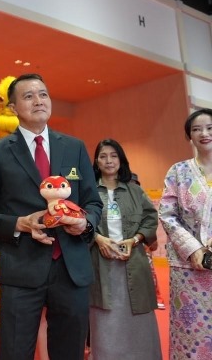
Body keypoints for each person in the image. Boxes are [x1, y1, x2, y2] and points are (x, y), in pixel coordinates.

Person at [0, 73, 102, 360]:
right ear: (13, 107)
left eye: (43, 94)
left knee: (69, 353)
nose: (38, 101)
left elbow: (93, 202)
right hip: (22, 268)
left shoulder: (74, 147)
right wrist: (20, 223)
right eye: (28, 96)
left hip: (71, 268)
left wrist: (85, 223)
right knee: (15, 352)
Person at [89, 139, 162, 359]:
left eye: (114, 156)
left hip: (133, 262)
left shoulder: (134, 190)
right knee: (105, 319)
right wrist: (98, 239)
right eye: (103, 156)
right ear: (96, 161)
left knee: (139, 319)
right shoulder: (88, 191)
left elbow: (150, 218)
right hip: (100, 264)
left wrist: (135, 239)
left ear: (121, 160)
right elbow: (79, 222)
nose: (109, 161)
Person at [159, 108, 212, 360]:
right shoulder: (178, 172)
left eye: (210, 128)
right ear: (189, 136)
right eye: (196, 129)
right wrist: (194, 249)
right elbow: (167, 214)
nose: (204, 133)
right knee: (190, 333)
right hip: (188, 268)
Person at [130, 173, 166, 310]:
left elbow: (150, 222)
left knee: (149, 271)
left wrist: (152, 240)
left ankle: (156, 297)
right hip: (125, 243)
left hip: (143, 243)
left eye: (134, 184)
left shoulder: (143, 200)